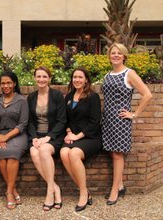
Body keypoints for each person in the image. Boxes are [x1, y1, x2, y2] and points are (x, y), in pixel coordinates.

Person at [102, 43, 152, 205]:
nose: (115, 55)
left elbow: (147, 95)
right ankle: (121, 185)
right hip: (107, 120)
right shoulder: (108, 75)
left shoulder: (129, 73)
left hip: (121, 121)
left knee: (117, 154)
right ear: (109, 56)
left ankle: (114, 190)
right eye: (112, 53)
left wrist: (134, 114)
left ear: (124, 56)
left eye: (119, 53)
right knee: (112, 153)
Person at [60, 67, 102, 212]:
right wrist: (69, 132)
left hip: (91, 137)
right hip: (73, 135)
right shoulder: (69, 97)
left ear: (86, 80)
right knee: (64, 152)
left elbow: (95, 122)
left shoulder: (92, 97)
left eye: (80, 77)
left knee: (74, 153)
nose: (77, 80)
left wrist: (77, 136)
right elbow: (65, 119)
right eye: (75, 77)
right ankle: (85, 190)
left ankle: (83, 193)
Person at [27, 66, 66, 211]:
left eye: (44, 77)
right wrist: (34, 138)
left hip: (54, 135)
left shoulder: (57, 96)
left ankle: (49, 192)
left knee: (43, 151)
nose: (41, 79)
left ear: (49, 78)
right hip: (37, 136)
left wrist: (48, 137)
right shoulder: (31, 97)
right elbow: (29, 121)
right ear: (35, 78)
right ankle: (55, 187)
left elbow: (62, 120)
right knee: (33, 151)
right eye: (38, 76)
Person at [0, 71, 29, 209]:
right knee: (0, 152)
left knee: (12, 153)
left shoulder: (22, 101)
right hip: (0, 135)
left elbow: (23, 124)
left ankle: (9, 192)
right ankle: (13, 190)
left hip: (17, 135)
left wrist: (6, 137)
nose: (5, 85)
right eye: (3, 83)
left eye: (8, 83)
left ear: (14, 84)